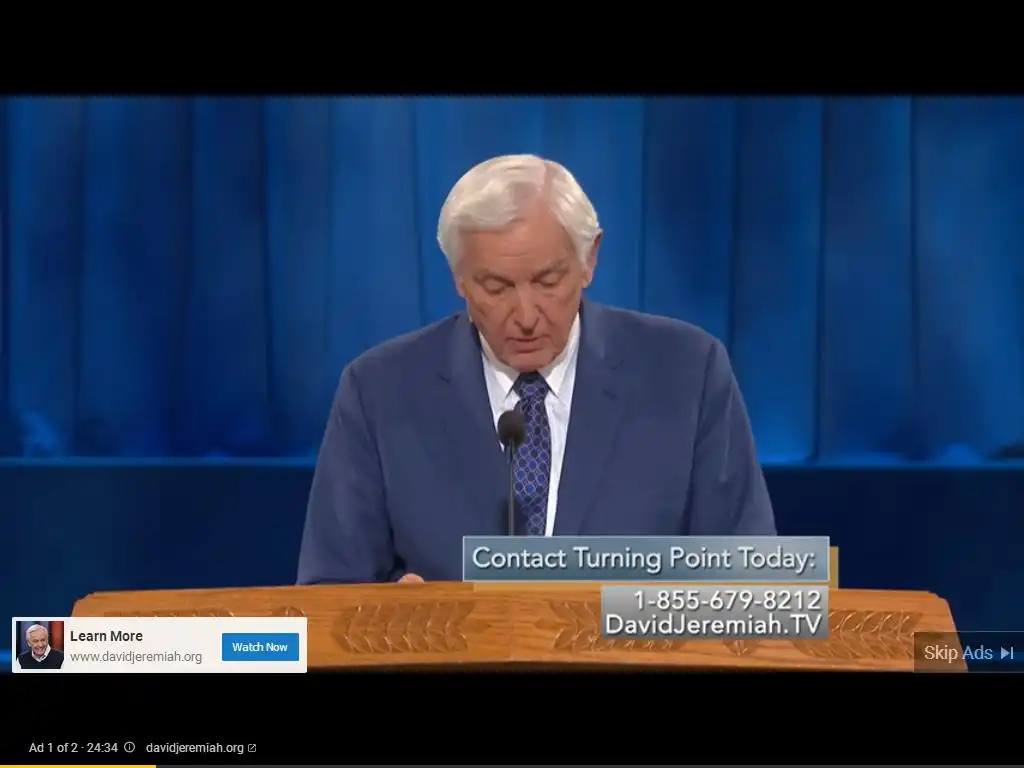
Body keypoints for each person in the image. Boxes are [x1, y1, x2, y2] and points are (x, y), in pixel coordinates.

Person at [298, 154, 776, 585]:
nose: (526, 316)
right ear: (458, 278)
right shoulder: (379, 392)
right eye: (496, 287)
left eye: (548, 281)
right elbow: (327, 595)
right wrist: (389, 623)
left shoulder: (686, 373)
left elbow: (753, 587)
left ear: (589, 259)